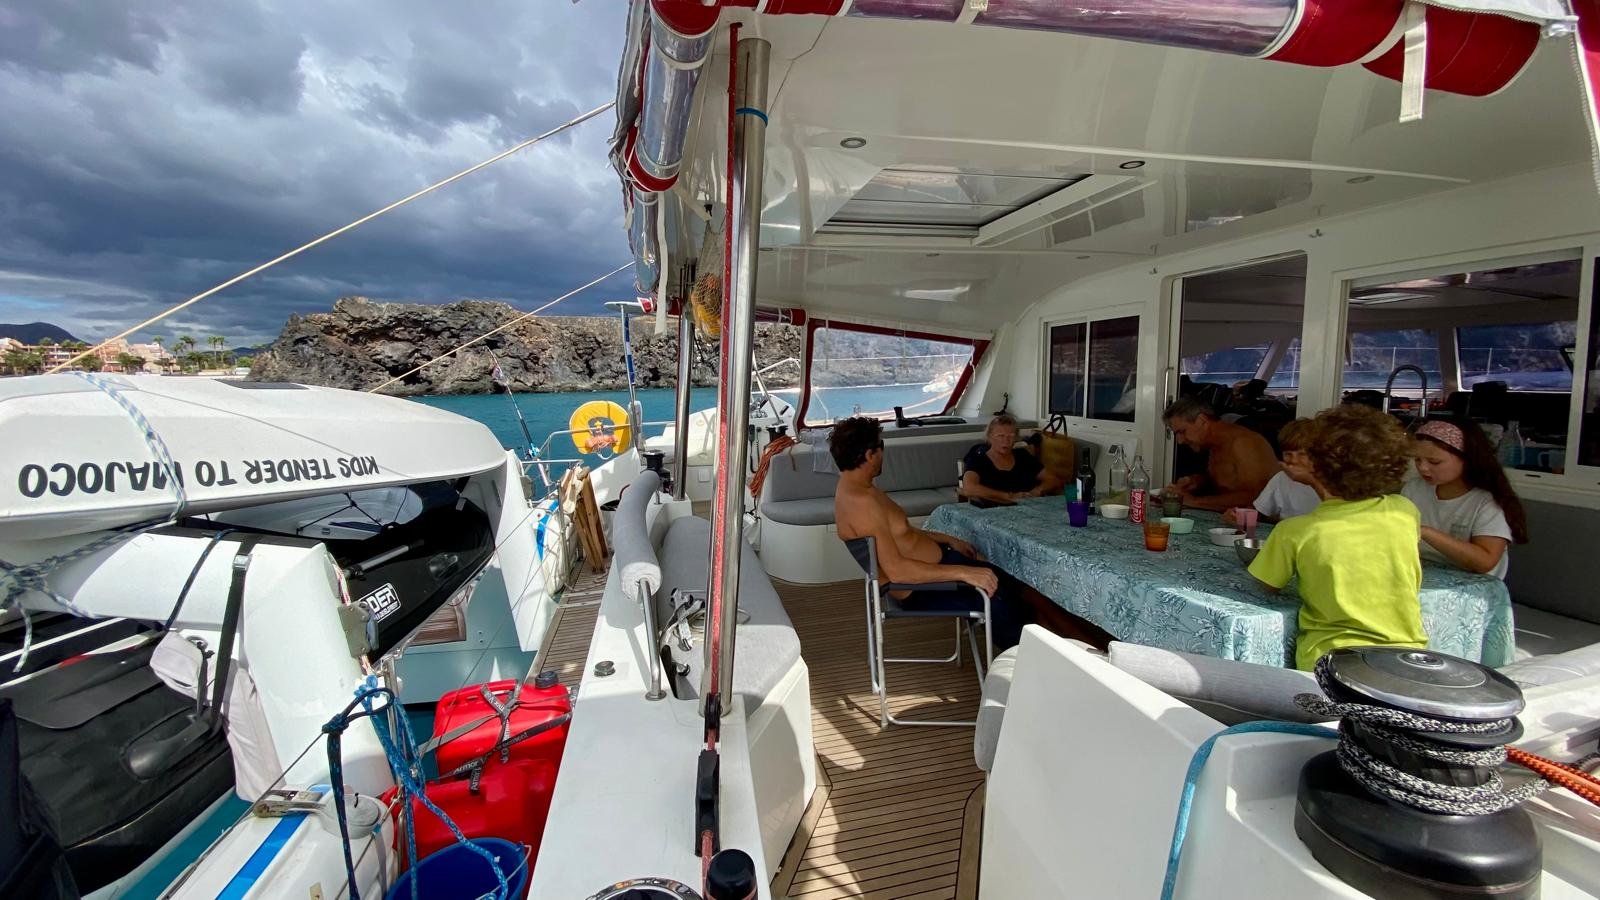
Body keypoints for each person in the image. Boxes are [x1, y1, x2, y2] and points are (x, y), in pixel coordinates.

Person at [1248, 405, 1428, 670]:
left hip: (1330, 665)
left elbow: (1268, 586)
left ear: (1316, 466)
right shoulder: (1403, 510)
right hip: (1404, 658)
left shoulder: (1296, 531)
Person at [832, 417, 1028, 649]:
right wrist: (964, 573)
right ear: (868, 455)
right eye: (881, 447)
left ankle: (1033, 645)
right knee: (1002, 593)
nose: (883, 453)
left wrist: (948, 539)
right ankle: (1022, 661)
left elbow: (901, 532)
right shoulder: (861, 503)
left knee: (1013, 582)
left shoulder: (859, 487)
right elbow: (898, 571)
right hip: (918, 588)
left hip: (933, 567)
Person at [1404, 418, 1527, 579]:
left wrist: (1425, 532)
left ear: (1467, 459)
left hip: (1473, 587)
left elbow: (1485, 562)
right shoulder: (1414, 489)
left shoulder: (1486, 502)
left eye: (1434, 462)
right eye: (1417, 460)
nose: (1423, 468)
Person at [1162, 395, 1279, 512]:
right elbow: (1230, 480)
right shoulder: (1213, 444)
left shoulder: (1244, 443)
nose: (1180, 440)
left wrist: (1194, 501)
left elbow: (1257, 497)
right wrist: (1197, 481)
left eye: (1182, 432)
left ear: (1202, 421)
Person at [1225, 417, 1323, 524]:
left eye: (1302, 454)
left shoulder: (1331, 481)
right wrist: (1238, 515)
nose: (1293, 460)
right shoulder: (1281, 478)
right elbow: (1260, 513)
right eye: (1288, 454)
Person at [960, 413, 1061, 508]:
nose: (1006, 441)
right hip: (992, 512)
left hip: (1028, 509)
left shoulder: (1023, 456)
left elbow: (1053, 479)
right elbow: (969, 488)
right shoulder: (978, 459)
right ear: (990, 437)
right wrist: (1007, 496)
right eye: (1000, 436)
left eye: (1011, 437)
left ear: (1016, 438)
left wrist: (1036, 491)